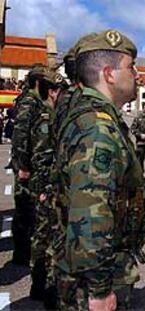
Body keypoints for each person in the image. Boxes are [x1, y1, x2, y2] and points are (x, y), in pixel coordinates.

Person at [54, 30, 145, 311]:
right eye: (131, 67)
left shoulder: (90, 117)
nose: (138, 74)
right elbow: (92, 212)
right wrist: (99, 290)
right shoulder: (98, 129)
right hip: (93, 280)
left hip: (83, 268)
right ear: (109, 74)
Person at [28, 70, 66, 307]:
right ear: (52, 92)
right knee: (44, 236)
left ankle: (43, 285)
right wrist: (43, 190)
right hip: (45, 188)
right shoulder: (46, 119)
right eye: (61, 92)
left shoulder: (54, 116)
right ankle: (40, 284)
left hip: (51, 186)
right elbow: (41, 159)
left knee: (48, 236)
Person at [10, 65, 47, 266]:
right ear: (38, 83)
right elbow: (20, 135)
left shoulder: (34, 100)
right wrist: (22, 165)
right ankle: (22, 254)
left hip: (31, 162)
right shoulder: (29, 102)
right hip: (26, 165)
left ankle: (24, 251)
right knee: (24, 208)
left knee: (28, 208)